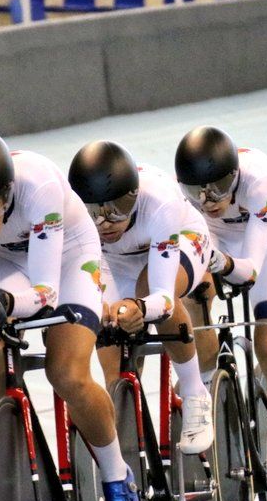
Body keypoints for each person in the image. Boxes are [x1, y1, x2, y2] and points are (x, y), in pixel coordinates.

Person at [0, 126, 142, 501]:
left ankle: (116, 477)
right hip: (1, 257)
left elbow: (47, 293)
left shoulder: (41, 187)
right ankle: (5, 462)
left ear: (8, 193)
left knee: (65, 371)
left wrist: (5, 304)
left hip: (68, 257)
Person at [174, 125, 267, 501]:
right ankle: (204, 390)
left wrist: (215, 262)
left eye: (217, 189)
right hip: (214, 241)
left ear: (234, 176)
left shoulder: (260, 181)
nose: (207, 200)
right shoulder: (182, 196)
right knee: (191, 295)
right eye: (197, 193)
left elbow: (250, 268)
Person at [68, 140, 215, 455]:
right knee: (108, 329)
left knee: (149, 293)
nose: (105, 222)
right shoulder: (71, 214)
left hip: (181, 240)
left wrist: (139, 306)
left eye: (116, 210)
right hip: (116, 260)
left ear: (133, 197)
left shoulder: (159, 203)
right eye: (94, 212)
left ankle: (194, 392)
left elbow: (161, 296)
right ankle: (126, 429)